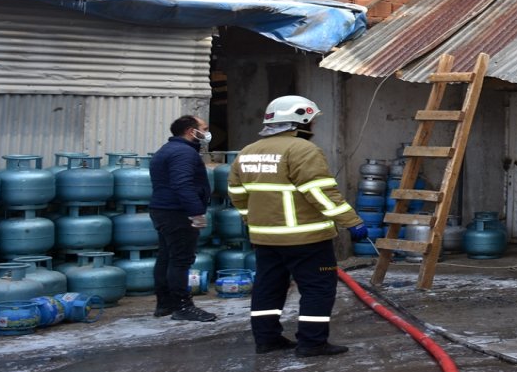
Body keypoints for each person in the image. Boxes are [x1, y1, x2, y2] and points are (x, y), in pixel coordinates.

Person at [227, 95, 368, 357]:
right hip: (305, 238)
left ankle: (267, 339)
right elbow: (319, 192)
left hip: (265, 238)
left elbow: (237, 193)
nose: (313, 125)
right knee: (318, 288)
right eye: (312, 120)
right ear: (300, 120)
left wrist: (254, 220)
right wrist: (352, 221)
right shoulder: (302, 150)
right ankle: (312, 343)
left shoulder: (247, 152)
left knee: (269, 287)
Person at [149, 115, 217, 322]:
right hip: (177, 213)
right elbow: (182, 184)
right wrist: (196, 212)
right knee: (180, 260)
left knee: (166, 257)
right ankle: (182, 306)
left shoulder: (167, 149)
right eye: (203, 128)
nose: (206, 133)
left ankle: (165, 304)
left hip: (164, 210)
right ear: (190, 131)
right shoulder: (183, 153)